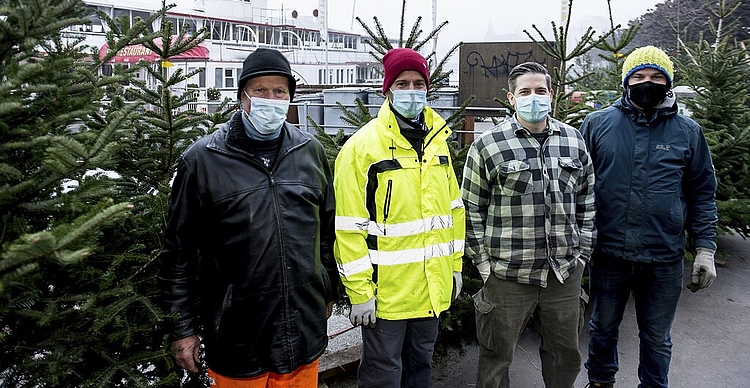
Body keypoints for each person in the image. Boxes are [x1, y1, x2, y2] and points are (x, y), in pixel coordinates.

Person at [159, 48, 338, 388]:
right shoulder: (202, 160)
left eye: (279, 91)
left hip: (302, 332)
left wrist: (326, 290)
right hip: (237, 340)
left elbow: (327, 231)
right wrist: (183, 329)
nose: (270, 99)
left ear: (290, 97)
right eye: (260, 90)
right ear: (242, 95)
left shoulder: (310, 151)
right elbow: (178, 253)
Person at [581, 46, 718, 388]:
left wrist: (705, 249)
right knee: (601, 328)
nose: (647, 83)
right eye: (639, 76)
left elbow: (702, 192)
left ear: (668, 82)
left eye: (657, 77)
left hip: (664, 257)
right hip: (609, 253)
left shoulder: (688, 132)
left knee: (657, 338)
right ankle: (600, 381)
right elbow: (577, 186)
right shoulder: (598, 124)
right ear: (626, 81)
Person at [333, 47, 466, 388]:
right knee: (383, 373)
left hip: (431, 289)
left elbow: (453, 211)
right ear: (388, 89)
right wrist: (359, 292)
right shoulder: (362, 148)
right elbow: (349, 228)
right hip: (387, 295)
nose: (411, 91)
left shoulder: (439, 142)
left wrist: (453, 267)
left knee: (421, 365)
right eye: (402, 83)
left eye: (418, 83)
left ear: (428, 87)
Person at [462, 61, 596, 388]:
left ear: (551, 94)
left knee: (564, 355)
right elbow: (470, 208)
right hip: (508, 275)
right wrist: (482, 263)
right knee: (496, 357)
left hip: (563, 274)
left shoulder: (573, 140)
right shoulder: (488, 145)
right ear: (511, 98)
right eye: (525, 92)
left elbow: (587, 199)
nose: (533, 98)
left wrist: (582, 255)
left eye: (539, 91)